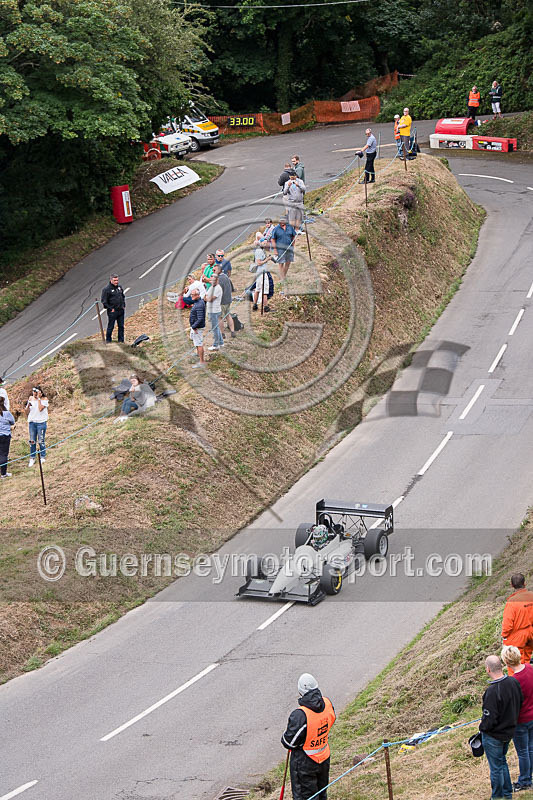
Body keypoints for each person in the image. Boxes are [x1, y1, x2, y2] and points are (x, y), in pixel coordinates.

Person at [281, 673, 336, 800]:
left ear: (300, 691)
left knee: (305, 796)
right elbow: (332, 719)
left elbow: (289, 742)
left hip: (305, 763)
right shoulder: (327, 703)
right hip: (324, 757)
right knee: (321, 793)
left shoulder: (300, 715)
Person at [479, 654, 523, 800]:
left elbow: (489, 719)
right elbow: (520, 701)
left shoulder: (492, 692)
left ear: (488, 670)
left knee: (496, 768)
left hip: (494, 736)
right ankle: (507, 793)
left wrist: (482, 728)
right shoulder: (513, 682)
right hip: (509, 732)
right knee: (502, 762)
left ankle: (497, 796)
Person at [501, 645, 533, 791]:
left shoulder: (513, 681)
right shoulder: (530, 668)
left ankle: (525, 780)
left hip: (521, 720)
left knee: (523, 752)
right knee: (531, 748)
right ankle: (529, 777)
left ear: (507, 663)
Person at [502, 574, 533, 672]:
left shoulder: (512, 602)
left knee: (514, 664)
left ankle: (517, 684)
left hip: (517, 637)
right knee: (526, 660)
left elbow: (507, 625)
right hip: (531, 633)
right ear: (524, 583)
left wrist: (504, 636)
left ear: (511, 585)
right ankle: (528, 679)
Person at [25, 385, 48, 467]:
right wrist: (28, 405)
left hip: (41, 422)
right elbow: (26, 411)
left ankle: (42, 456)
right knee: (32, 440)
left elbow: (41, 408)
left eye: (36, 392)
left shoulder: (44, 399)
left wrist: (38, 399)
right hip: (32, 422)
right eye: (34, 392)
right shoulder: (30, 398)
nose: (34, 394)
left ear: (40, 393)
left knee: (41, 440)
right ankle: (32, 457)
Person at [101, 274, 126, 343]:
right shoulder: (106, 289)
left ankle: (121, 340)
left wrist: (123, 305)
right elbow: (104, 301)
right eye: (114, 280)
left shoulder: (119, 287)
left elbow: (123, 296)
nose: (116, 282)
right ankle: (108, 340)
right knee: (111, 326)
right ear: (111, 280)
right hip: (113, 311)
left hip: (120, 310)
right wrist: (111, 308)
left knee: (121, 326)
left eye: (117, 280)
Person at [271, 217, 297, 281]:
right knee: (281, 263)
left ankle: (283, 275)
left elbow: (294, 236)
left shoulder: (290, 227)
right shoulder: (276, 229)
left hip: (289, 248)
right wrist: (275, 250)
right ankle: (282, 278)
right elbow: (273, 239)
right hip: (280, 249)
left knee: (288, 262)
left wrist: (293, 245)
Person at [252, 238, 273, 312]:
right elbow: (258, 262)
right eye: (264, 243)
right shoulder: (259, 251)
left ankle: (255, 305)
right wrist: (267, 260)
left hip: (259, 273)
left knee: (257, 289)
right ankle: (266, 307)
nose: (265, 244)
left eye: (266, 243)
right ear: (260, 243)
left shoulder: (261, 250)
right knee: (265, 290)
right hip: (262, 273)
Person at [215, 265, 236, 337]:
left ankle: (222, 333)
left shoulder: (219, 279)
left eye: (214, 270)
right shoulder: (226, 276)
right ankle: (232, 331)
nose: (213, 272)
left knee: (220, 318)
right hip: (228, 300)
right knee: (228, 316)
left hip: (222, 301)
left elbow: (219, 292)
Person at [205, 270, 224, 351]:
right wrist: (206, 298)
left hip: (214, 311)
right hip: (211, 310)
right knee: (216, 327)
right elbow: (205, 296)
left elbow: (210, 299)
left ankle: (216, 344)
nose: (212, 281)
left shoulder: (217, 288)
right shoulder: (212, 287)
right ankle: (221, 342)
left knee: (214, 328)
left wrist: (206, 298)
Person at [189, 287, 206, 368]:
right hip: (195, 327)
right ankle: (198, 354)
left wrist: (194, 326)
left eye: (193, 295)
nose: (191, 296)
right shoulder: (198, 302)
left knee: (199, 344)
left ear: (197, 295)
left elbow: (200, 318)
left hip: (197, 328)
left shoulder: (199, 305)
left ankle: (202, 362)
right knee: (196, 342)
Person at [0, 396, 15, 478]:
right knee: (3, 455)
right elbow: (12, 421)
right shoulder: (6, 413)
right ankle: (3, 473)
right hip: (5, 435)